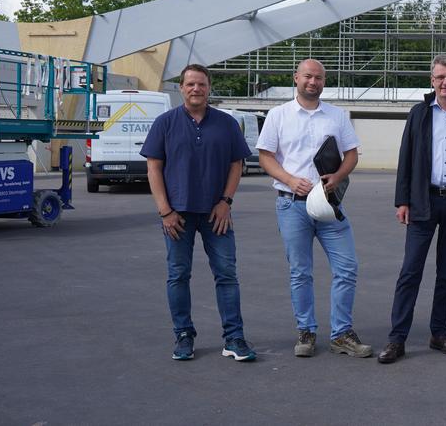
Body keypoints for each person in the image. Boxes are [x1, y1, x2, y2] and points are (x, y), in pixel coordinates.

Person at [256, 59, 372, 358]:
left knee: (347, 267)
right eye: (308, 76)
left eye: (319, 77)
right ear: (296, 77)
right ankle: (306, 331)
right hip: (291, 203)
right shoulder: (278, 115)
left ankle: (341, 334)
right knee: (300, 272)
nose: (313, 82)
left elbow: (351, 155)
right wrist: (290, 180)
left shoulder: (337, 115)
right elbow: (266, 157)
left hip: (328, 203)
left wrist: (338, 176)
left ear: (324, 81)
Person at [377, 54, 446, 364]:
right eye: (440, 77)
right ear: (432, 80)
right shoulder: (419, 114)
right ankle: (397, 339)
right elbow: (406, 158)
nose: (445, 82)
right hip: (423, 202)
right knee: (410, 272)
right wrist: (402, 200)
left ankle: (439, 333)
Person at [141, 64, 256, 362]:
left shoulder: (226, 123)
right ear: (181, 88)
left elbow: (236, 164)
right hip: (177, 215)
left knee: (227, 275)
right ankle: (183, 335)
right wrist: (165, 211)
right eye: (190, 84)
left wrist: (225, 202)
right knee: (178, 275)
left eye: (201, 84)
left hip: (216, 213)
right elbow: (153, 167)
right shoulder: (165, 123)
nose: (196, 89)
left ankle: (234, 338)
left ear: (209, 88)